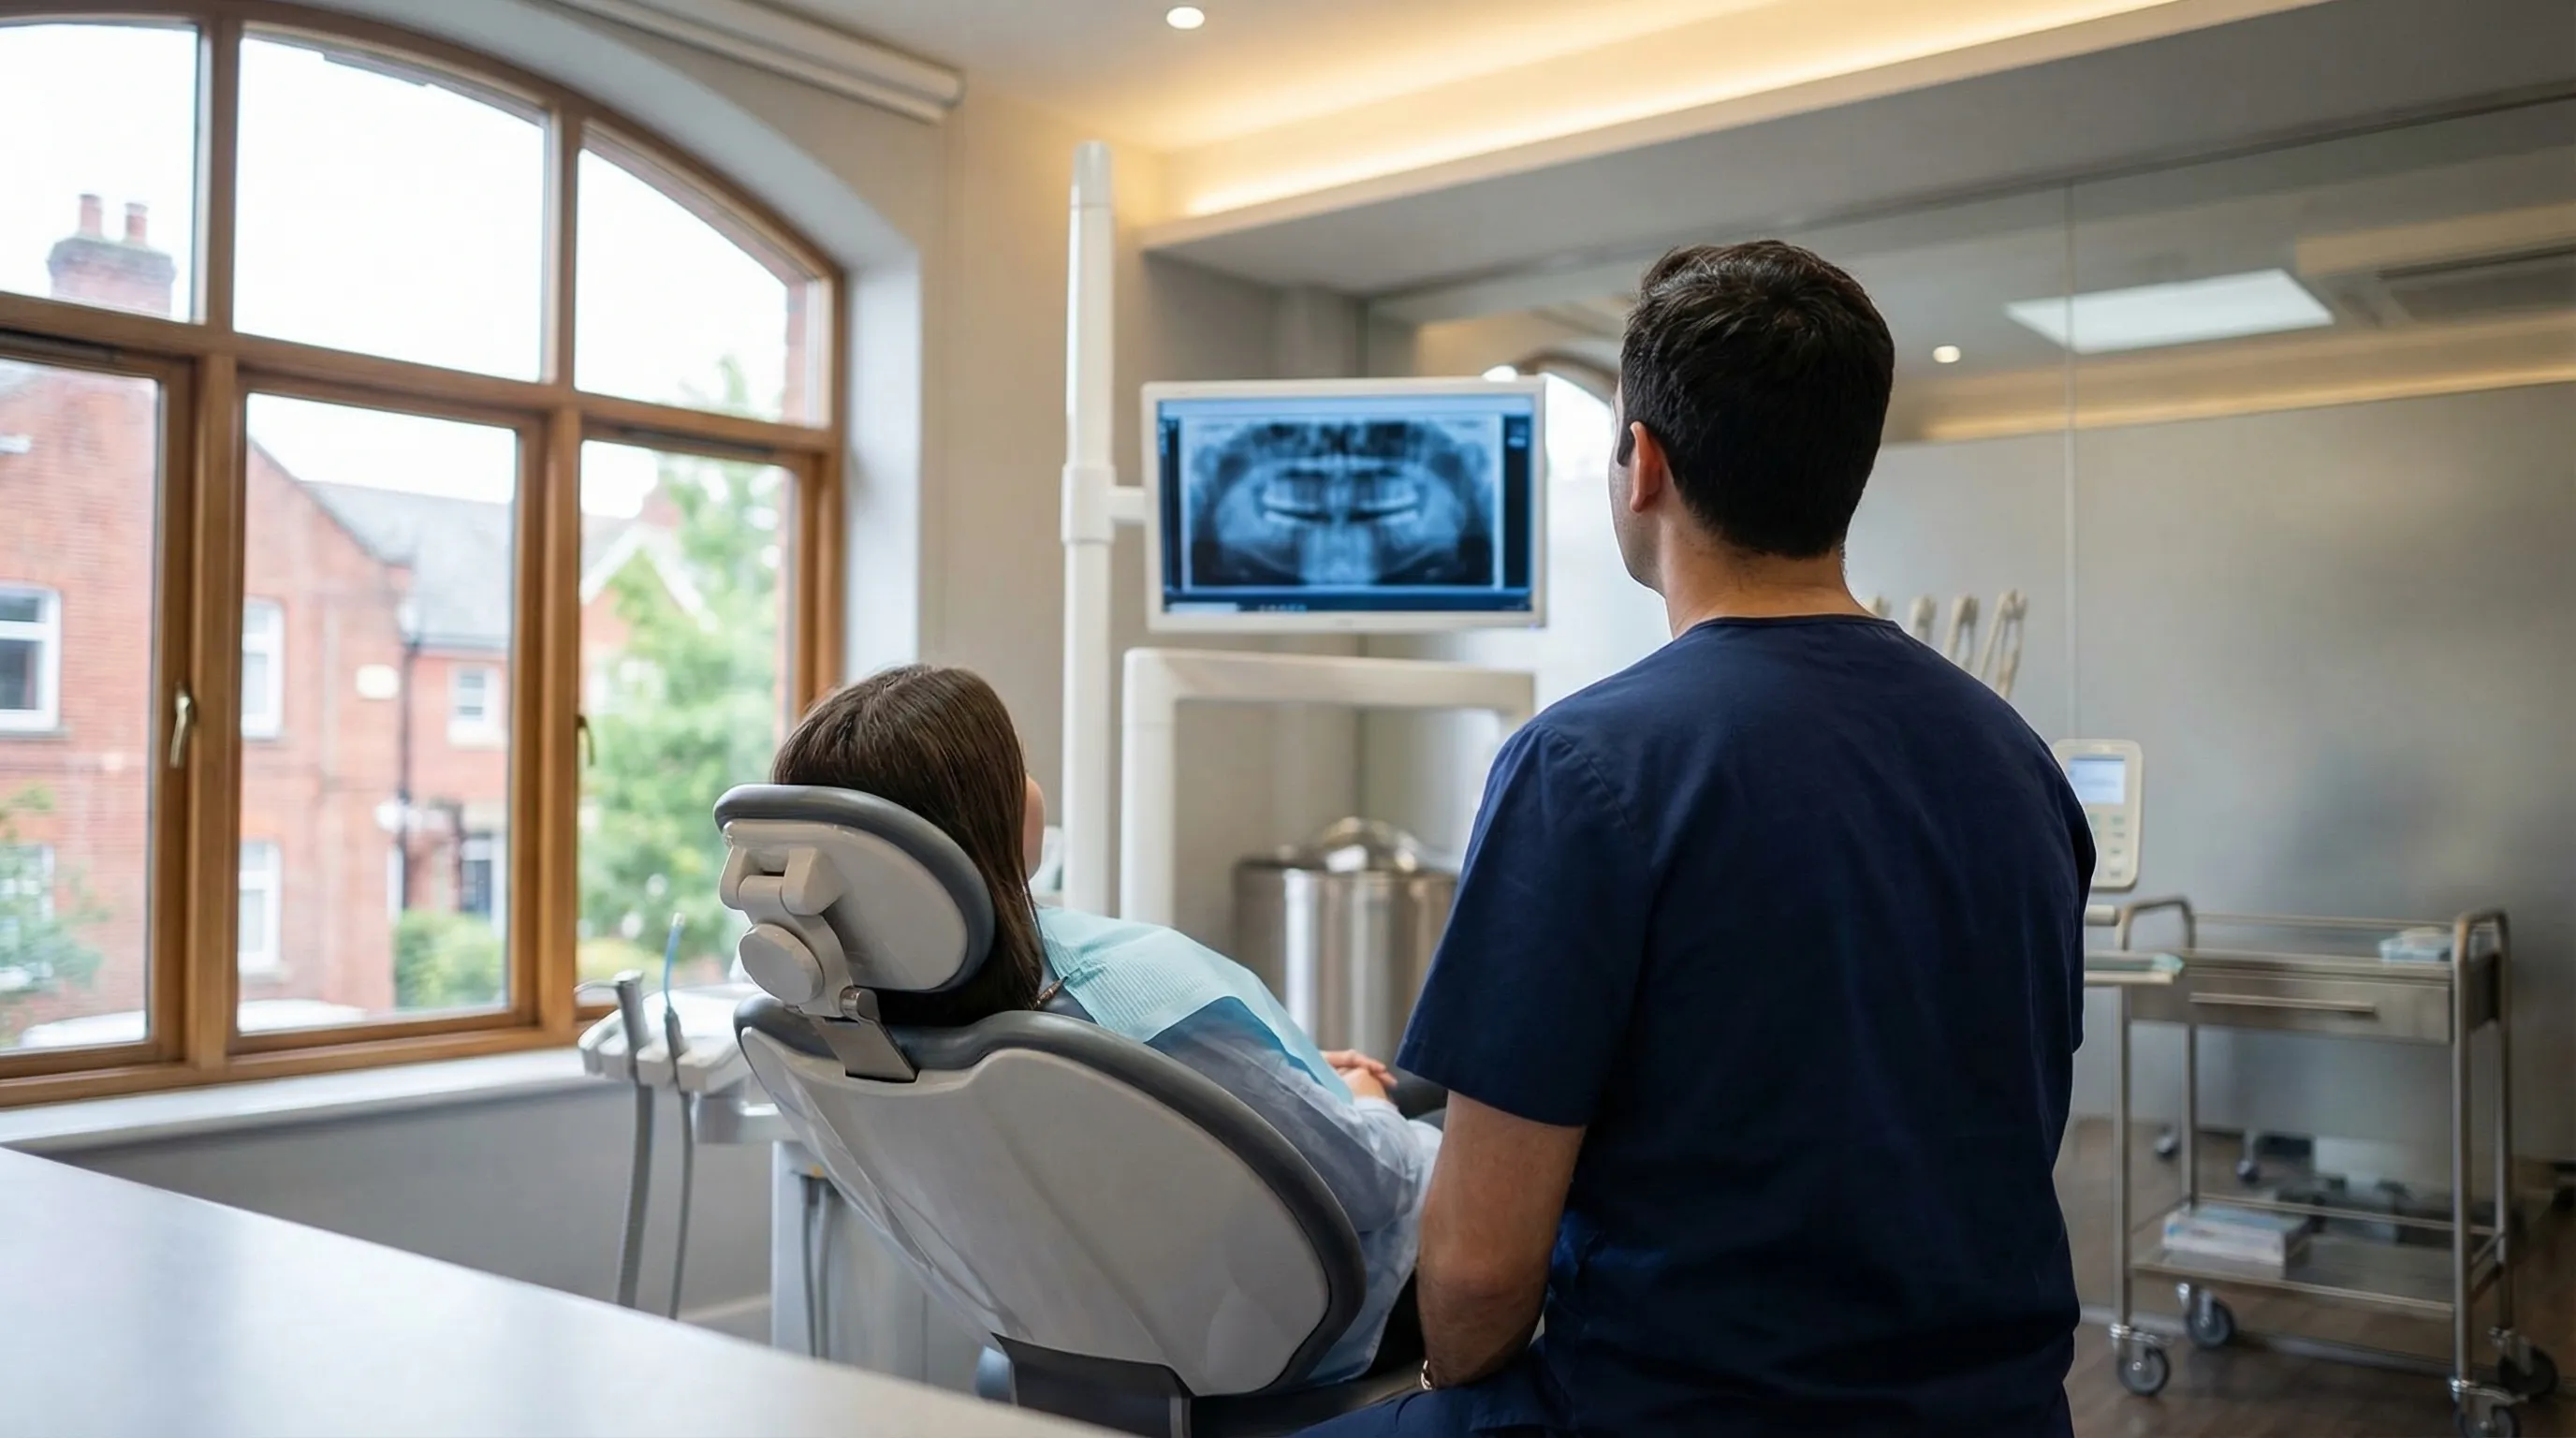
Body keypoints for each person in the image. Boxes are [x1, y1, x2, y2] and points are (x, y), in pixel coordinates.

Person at [1303, 242, 2092, 1437]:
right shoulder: (2019, 762)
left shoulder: (1584, 766)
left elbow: (1476, 1277)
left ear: (1644, 465)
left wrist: (1432, 1389)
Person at [768, 664, 1441, 1384]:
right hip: (1311, 1338)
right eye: (1018, 767)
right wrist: (1368, 1100)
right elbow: (1377, 1185)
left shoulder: (841, 1028)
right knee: (1457, 1111)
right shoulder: (1132, 994)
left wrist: (1272, 1081)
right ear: (982, 818)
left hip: (1061, 1342)